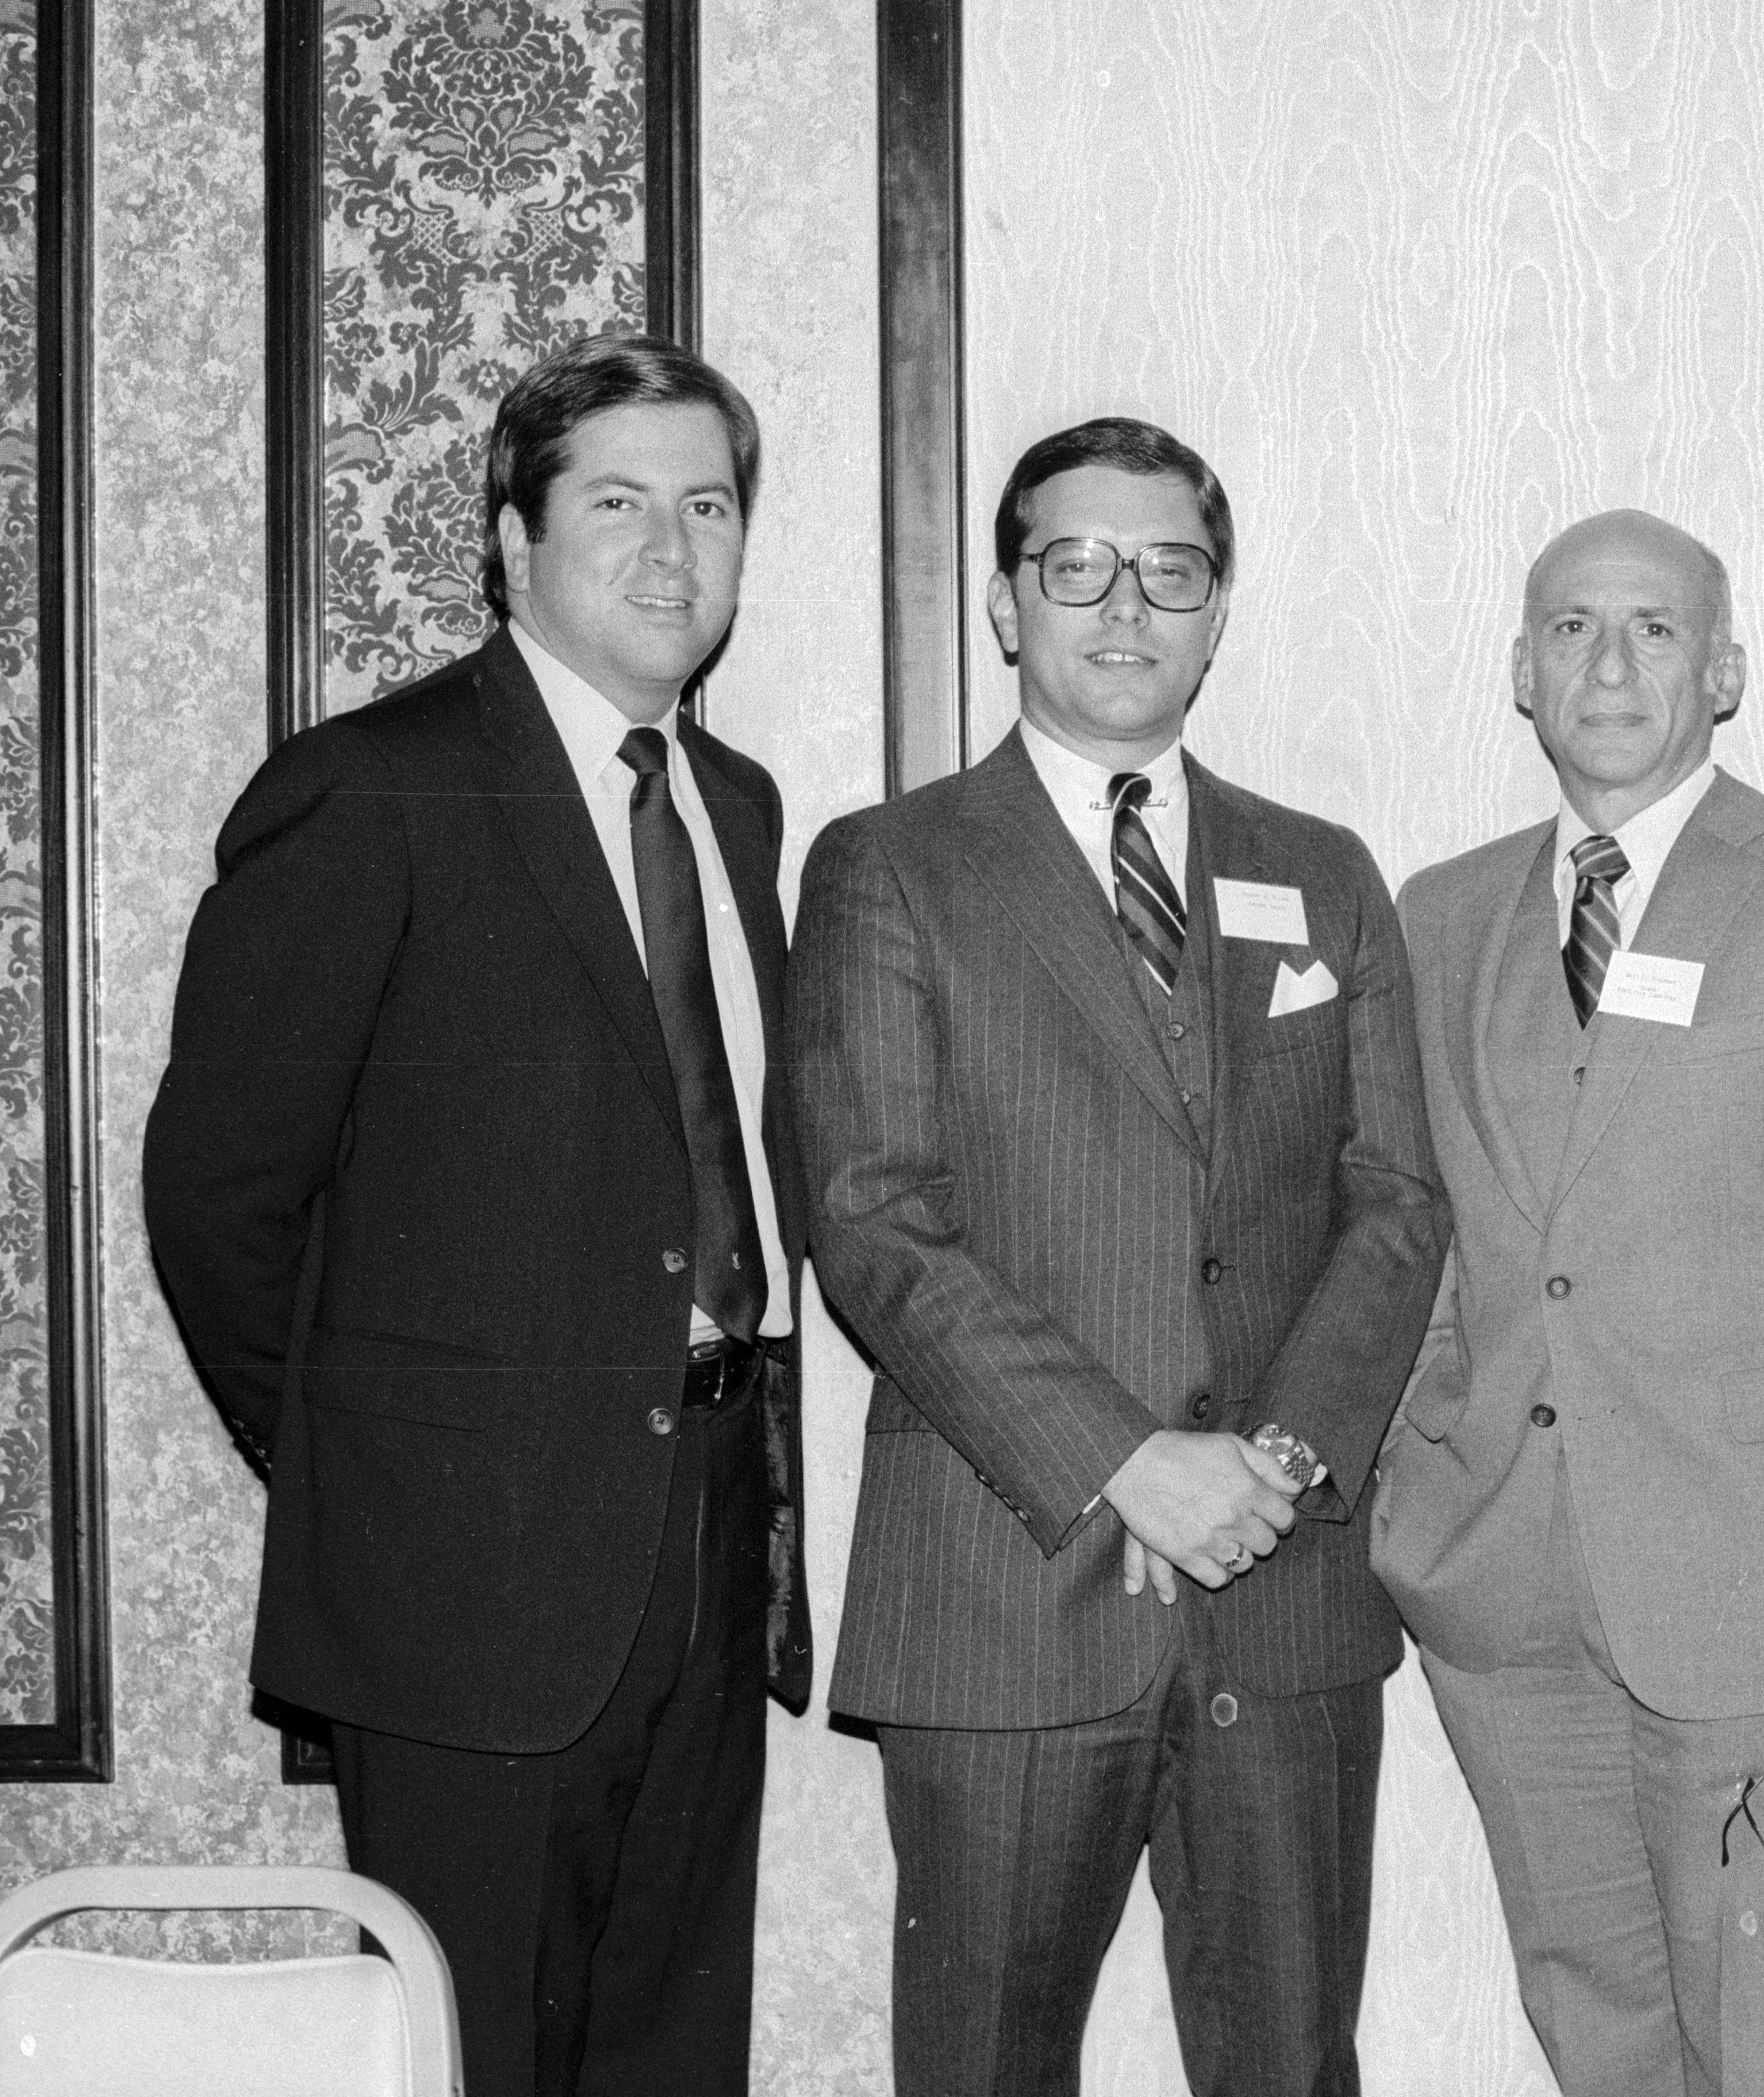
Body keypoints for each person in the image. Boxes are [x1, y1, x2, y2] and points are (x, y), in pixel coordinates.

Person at [144, 332, 808, 2097]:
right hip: (464, 1585)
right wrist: (389, 1469)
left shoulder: (737, 810)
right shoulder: (374, 788)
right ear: (514, 539)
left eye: (709, 508)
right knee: (476, 2061)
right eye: (618, 504)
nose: (672, 551)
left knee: (671, 2055)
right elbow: (219, 1195)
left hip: (711, 1535)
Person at [791, 417, 1448, 2097]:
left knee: (1290, 2067)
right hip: (1011, 1590)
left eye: (1171, 570)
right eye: (1076, 566)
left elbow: (1395, 1203)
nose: (1126, 607)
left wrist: (1271, 1465)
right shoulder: (891, 866)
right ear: (1006, 602)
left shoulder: (1322, 871)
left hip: (1280, 1594)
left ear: (1219, 611)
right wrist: (1131, 1463)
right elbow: (874, 1221)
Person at [1373, 508, 1764, 2097]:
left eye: (1654, 630)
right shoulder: (1442, 914)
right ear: (1522, 671)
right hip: (1507, 1598)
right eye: (1572, 628)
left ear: (1725, 671)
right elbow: (1425, 1239)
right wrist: (1416, 1488)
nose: (1610, 665)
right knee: (1598, 2038)